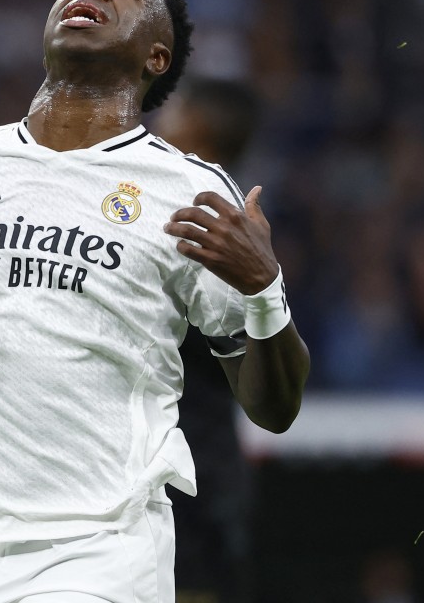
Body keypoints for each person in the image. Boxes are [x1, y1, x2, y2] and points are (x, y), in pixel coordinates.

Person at [0, 0, 310, 603]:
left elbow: (275, 409)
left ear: (157, 56)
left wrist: (265, 291)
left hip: (104, 551)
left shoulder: (188, 190)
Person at [151, 78, 261, 603]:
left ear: (200, 130)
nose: (158, 119)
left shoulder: (215, 230)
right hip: (186, 461)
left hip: (191, 470)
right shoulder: (224, 223)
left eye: (175, 109)